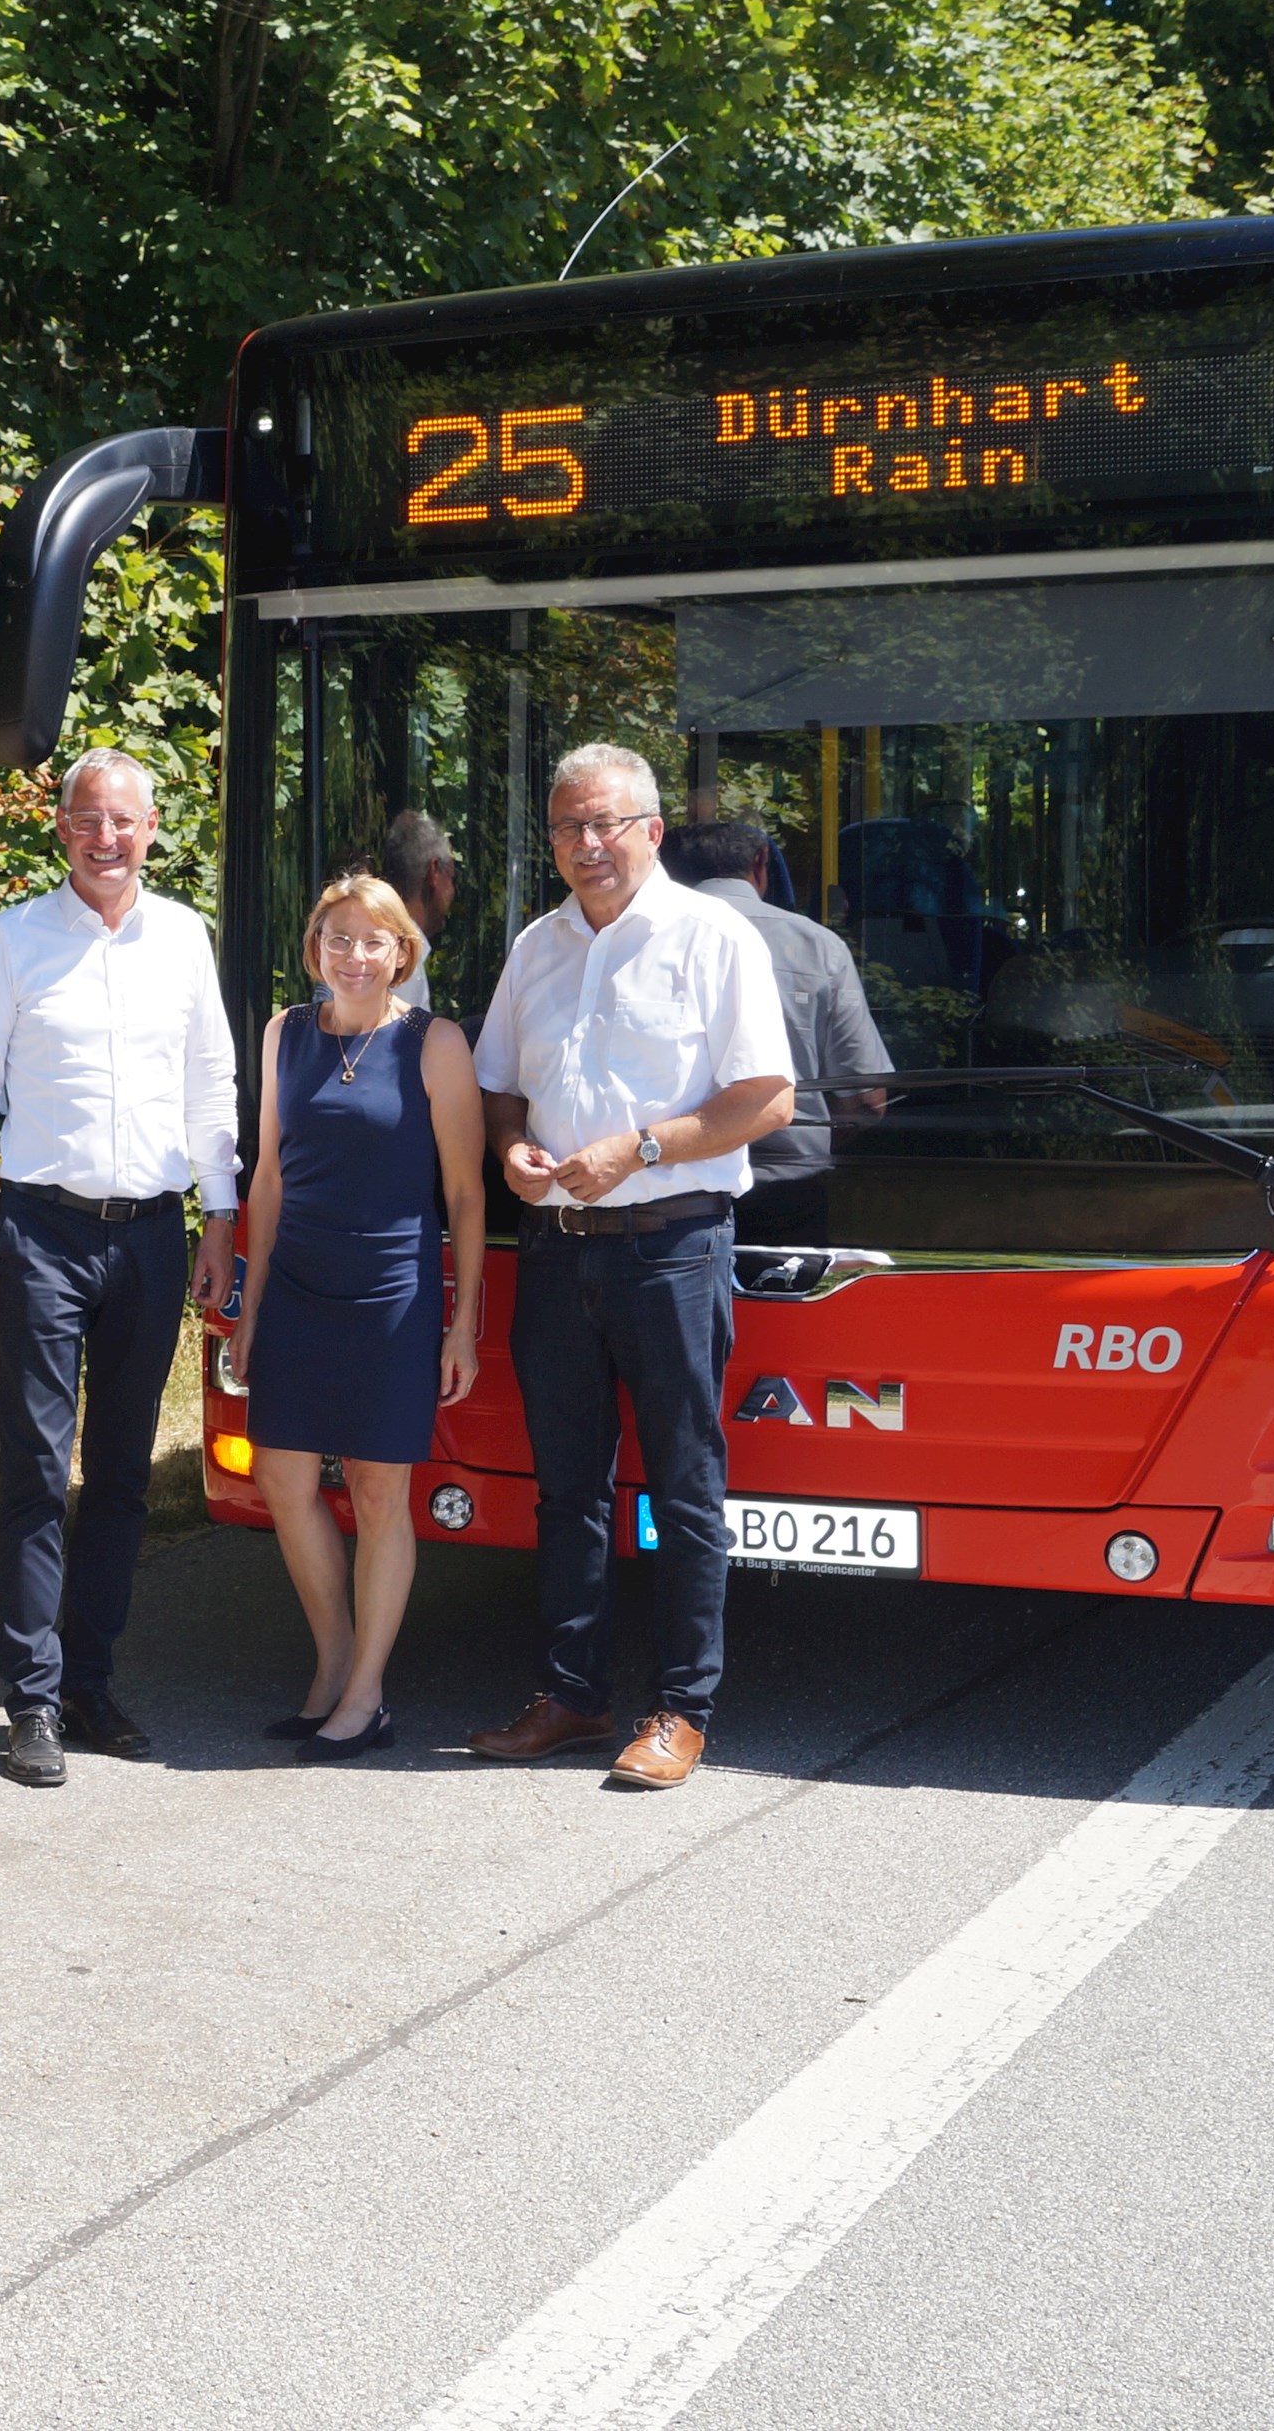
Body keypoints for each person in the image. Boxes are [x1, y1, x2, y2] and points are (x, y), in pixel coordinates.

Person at [465, 743, 793, 1792]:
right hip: (557, 1253)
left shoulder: (711, 936)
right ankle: (571, 1694)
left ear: (652, 830)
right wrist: (512, 1144)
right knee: (568, 1490)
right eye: (567, 827)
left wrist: (639, 1149)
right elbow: (499, 1085)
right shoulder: (538, 945)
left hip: (673, 1247)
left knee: (685, 1487)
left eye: (605, 823)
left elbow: (764, 1098)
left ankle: (682, 1710)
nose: (587, 844)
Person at [0, 749, 240, 1789]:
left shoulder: (184, 938)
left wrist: (221, 1217)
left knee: (117, 1476)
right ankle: (27, 1697)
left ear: (152, 828)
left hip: (152, 1234)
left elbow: (211, 1084)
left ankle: (89, 1688)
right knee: (32, 1467)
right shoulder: (15, 939)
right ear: (60, 827)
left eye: (122, 821)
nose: (104, 839)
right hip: (40, 1232)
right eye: (85, 820)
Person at [224, 875, 486, 1761]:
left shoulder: (433, 1041)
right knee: (284, 1481)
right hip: (296, 1286)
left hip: (391, 1294)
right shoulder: (283, 1034)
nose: (356, 955)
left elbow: (464, 1193)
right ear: (316, 949)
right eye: (339, 938)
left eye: (374, 940)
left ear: (401, 950)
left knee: (379, 1494)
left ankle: (367, 1692)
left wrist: (462, 1324)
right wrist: (250, 1308)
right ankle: (333, 1661)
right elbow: (267, 1176)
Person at [661, 820, 891, 1248]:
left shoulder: (640, 944)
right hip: (792, 1185)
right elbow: (866, 1099)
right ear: (761, 863)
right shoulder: (819, 945)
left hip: (669, 1188)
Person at [377, 811, 457, 1006]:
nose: (454, 892)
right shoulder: (401, 961)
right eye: (452, 878)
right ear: (434, 872)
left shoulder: (378, 945)